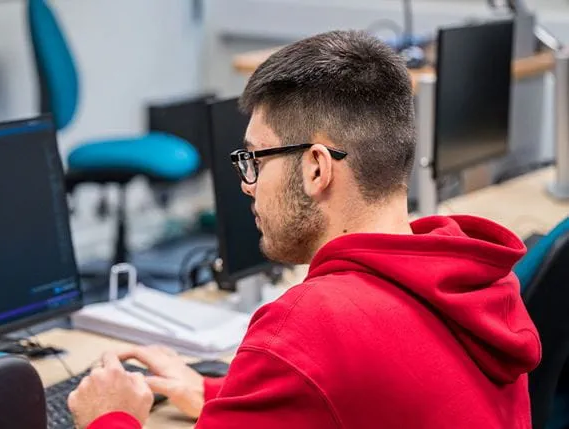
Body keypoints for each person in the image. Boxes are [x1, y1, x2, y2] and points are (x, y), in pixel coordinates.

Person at [67, 30, 541, 428]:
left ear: (317, 168)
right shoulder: (475, 277)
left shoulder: (310, 326)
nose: (247, 186)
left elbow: (320, 364)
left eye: (254, 160)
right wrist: (217, 392)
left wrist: (110, 416)